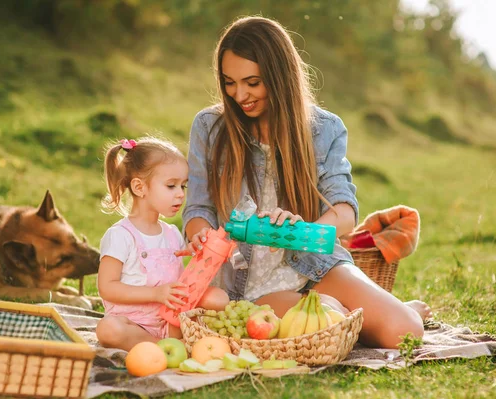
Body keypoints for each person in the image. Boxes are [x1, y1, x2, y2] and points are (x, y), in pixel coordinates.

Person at [182, 16, 431, 349]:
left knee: (405, 332)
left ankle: (384, 311)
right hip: (245, 286)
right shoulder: (211, 126)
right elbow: (198, 206)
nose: (239, 94)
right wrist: (199, 235)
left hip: (312, 265)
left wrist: (304, 229)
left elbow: (344, 210)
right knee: (329, 326)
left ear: (278, 75)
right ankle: (353, 313)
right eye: (229, 82)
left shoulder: (323, 128)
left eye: (252, 82)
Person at [96, 137, 229, 352]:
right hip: (134, 325)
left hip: (171, 321)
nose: (180, 194)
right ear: (139, 187)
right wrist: (156, 294)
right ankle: (168, 348)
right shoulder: (120, 235)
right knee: (108, 329)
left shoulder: (172, 233)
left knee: (219, 298)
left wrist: (201, 256)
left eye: (183, 186)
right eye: (171, 186)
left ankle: (176, 344)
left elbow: (181, 283)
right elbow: (107, 287)